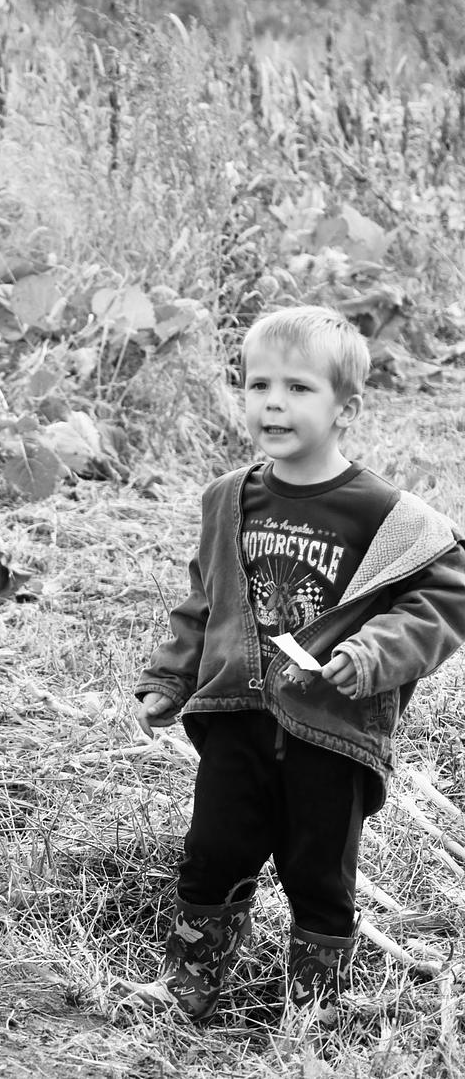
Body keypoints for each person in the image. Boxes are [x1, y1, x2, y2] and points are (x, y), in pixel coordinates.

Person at [131, 304, 465, 1026]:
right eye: (258, 385)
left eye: (298, 388)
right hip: (236, 715)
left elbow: (442, 599)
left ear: (347, 408)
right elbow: (205, 602)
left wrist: (371, 653)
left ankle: (314, 1008)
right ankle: (191, 980)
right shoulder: (230, 500)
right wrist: (171, 678)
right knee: (212, 852)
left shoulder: (386, 516)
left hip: (330, 727)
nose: (272, 404)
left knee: (319, 873)